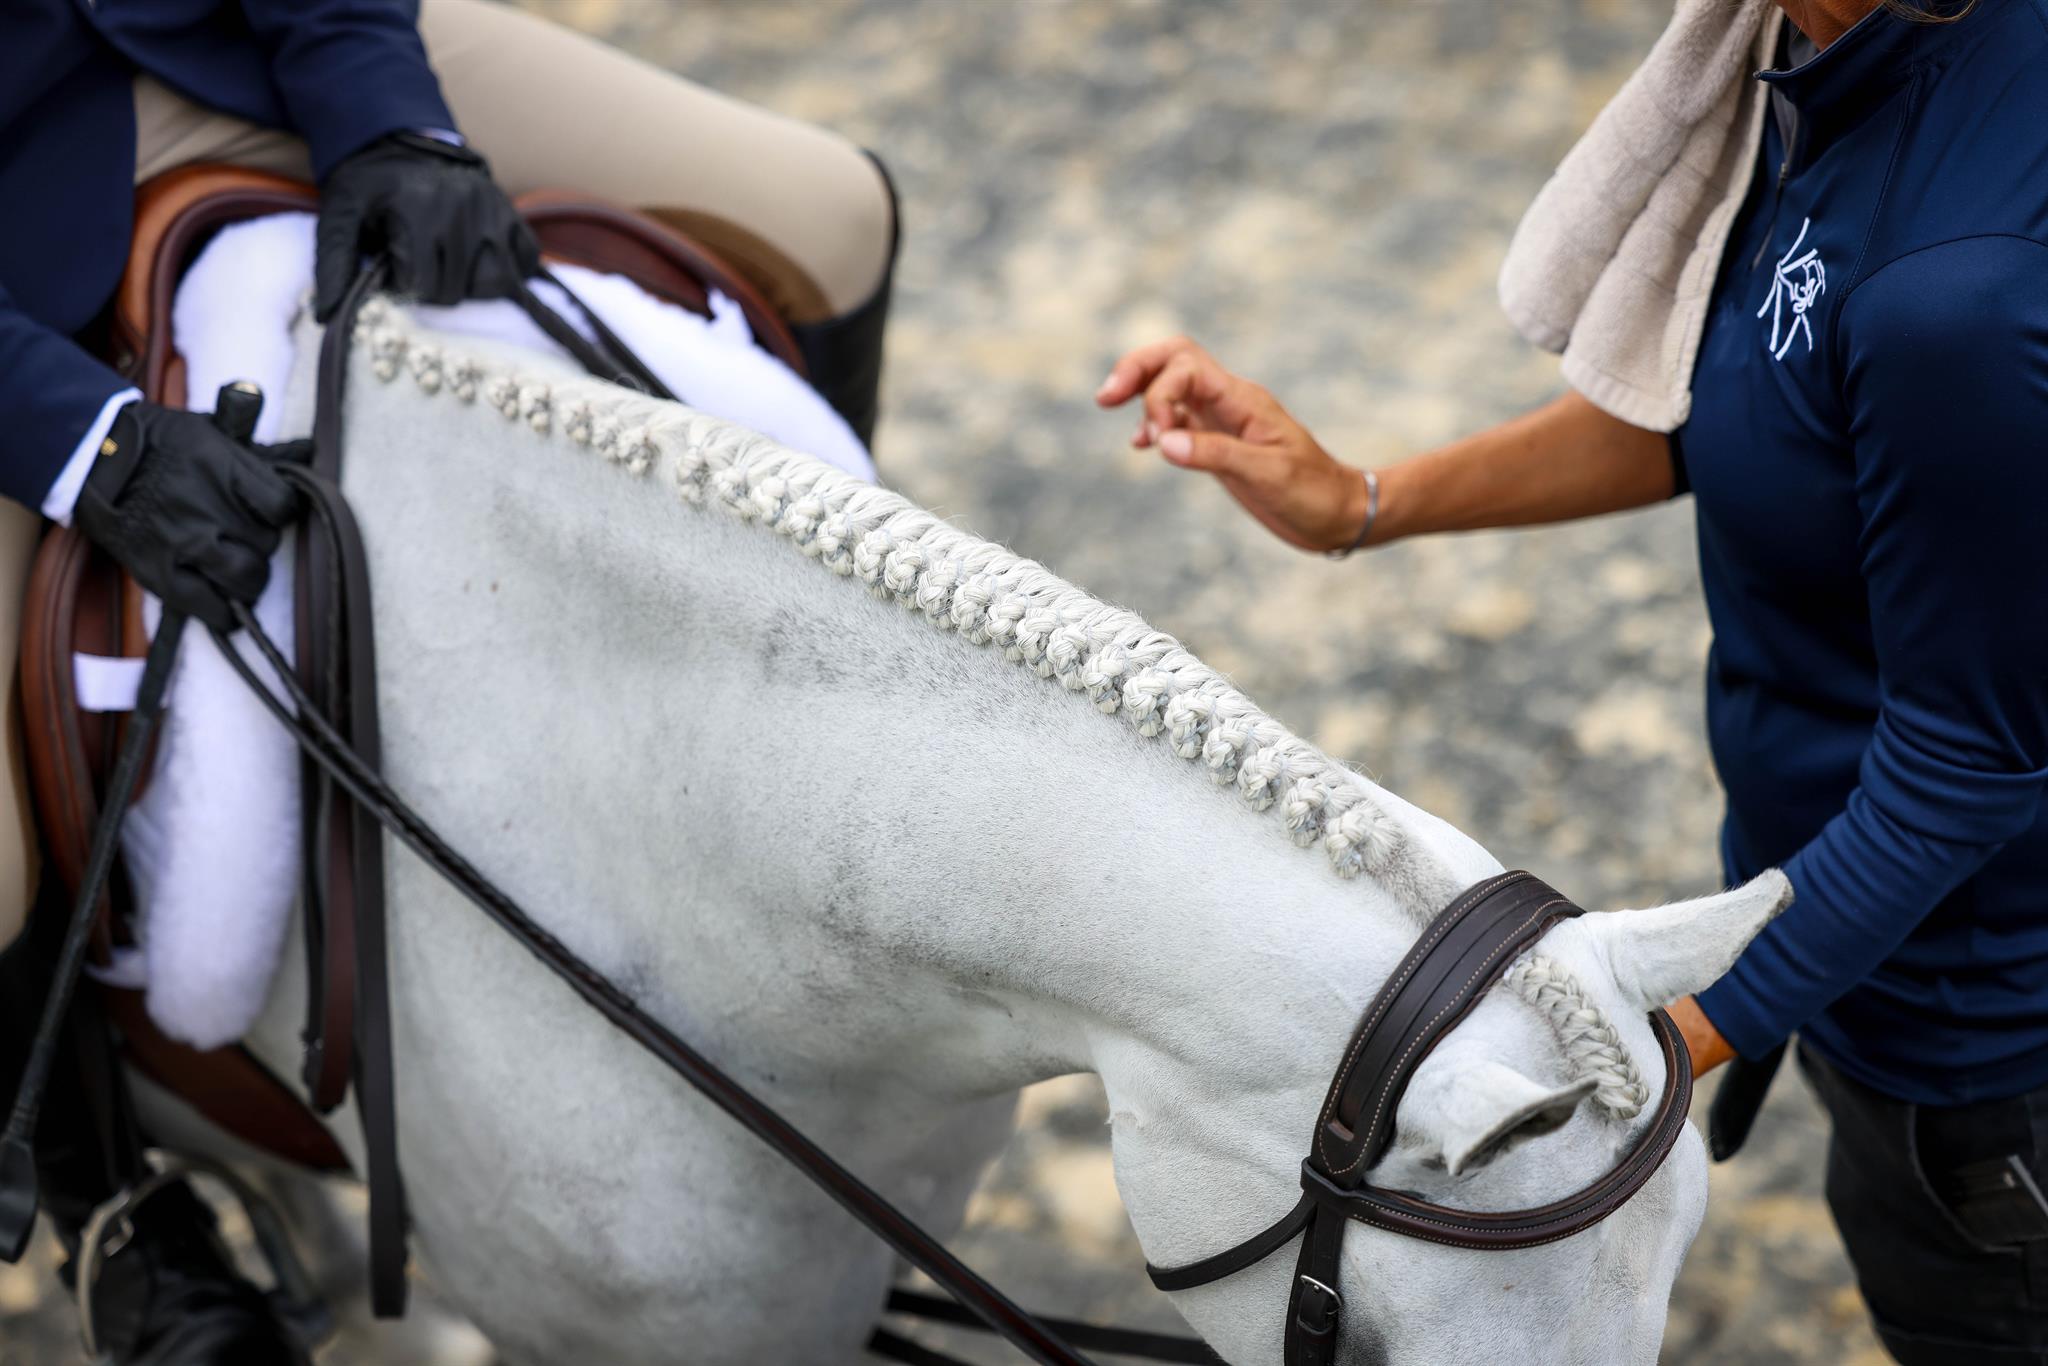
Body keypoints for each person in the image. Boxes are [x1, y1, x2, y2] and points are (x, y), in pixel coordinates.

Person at [1100, 0, 2048, 1361]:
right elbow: (1753, 409)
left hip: (1982, 1062)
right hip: (1848, 936)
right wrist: (1359, 500)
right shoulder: (1820, 65)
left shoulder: (1957, 289)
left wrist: (1639, 1056)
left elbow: (1963, 769)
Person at [0, 2, 895, 1361]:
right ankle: (114, 1203)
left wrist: (389, 111)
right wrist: (87, 447)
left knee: (831, 216)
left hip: (226, 43)